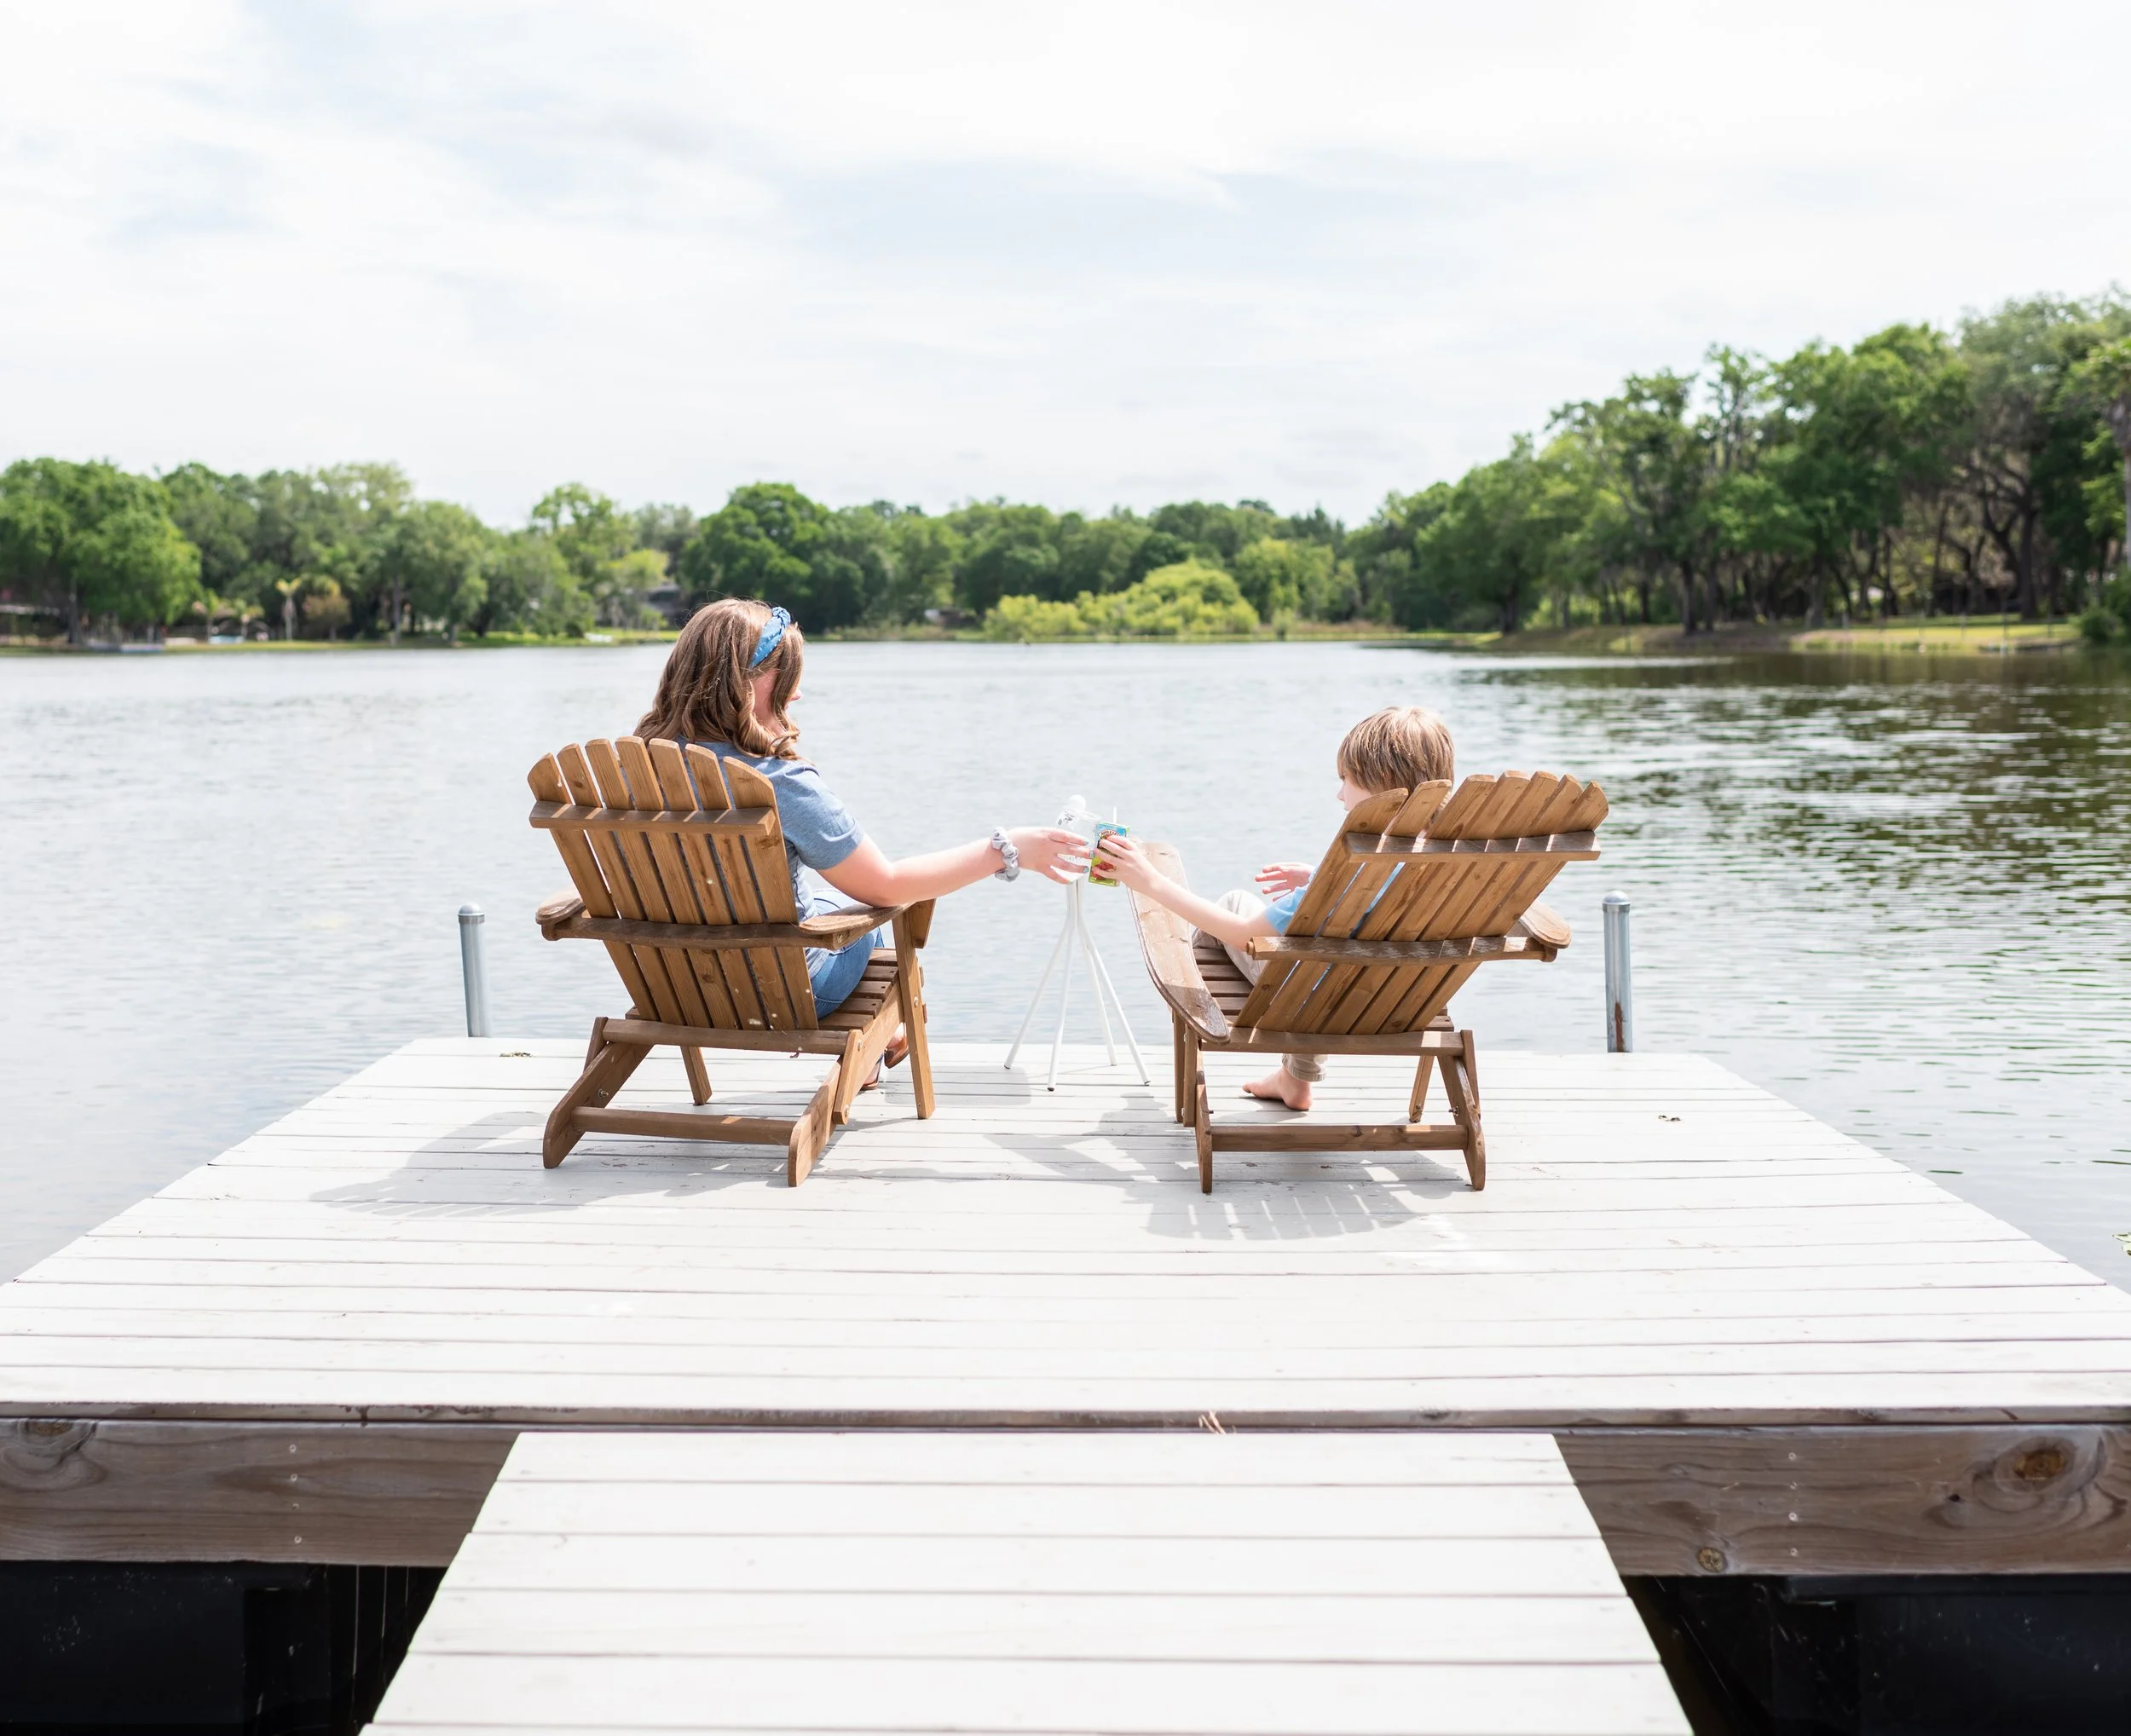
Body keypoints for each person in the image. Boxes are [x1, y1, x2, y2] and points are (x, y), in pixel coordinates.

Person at [635, 597, 1089, 1046]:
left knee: (831, 899)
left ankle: (883, 1041)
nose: (797, 693)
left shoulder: (630, 772)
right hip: (782, 995)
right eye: (789, 677)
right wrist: (1005, 849)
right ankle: (880, 1041)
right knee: (866, 918)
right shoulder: (777, 783)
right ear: (752, 683)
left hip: (670, 988)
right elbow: (886, 886)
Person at [1093, 705, 1454, 1111]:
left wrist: (1151, 882)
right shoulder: (1453, 860)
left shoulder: (1355, 869)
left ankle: (1204, 1038)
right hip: (1401, 1004)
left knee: (1234, 906)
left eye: (1346, 779)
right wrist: (1317, 882)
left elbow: (1246, 936)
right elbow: (1384, 906)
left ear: (1382, 780)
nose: (1339, 794)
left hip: (1317, 1007)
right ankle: (1294, 1080)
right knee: (1320, 949)